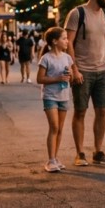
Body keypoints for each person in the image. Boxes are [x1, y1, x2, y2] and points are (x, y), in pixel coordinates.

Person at [65, 0, 105, 166]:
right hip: (82, 71)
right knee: (80, 111)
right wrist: (74, 69)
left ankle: (98, 151)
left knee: (102, 111)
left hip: (102, 70)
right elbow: (68, 43)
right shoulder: (77, 13)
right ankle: (80, 153)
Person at [37, 27, 74, 173]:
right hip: (50, 96)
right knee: (54, 127)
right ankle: (51, 160)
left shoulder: (67, 58)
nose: (67, 41)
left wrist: (69, 75)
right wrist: (57, 78)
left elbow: (68, 76)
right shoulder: (46, 58)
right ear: (54, 41)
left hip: (64, 96)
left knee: (60, 129)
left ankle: (55, 158)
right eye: (64, 38)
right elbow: (40, 79)